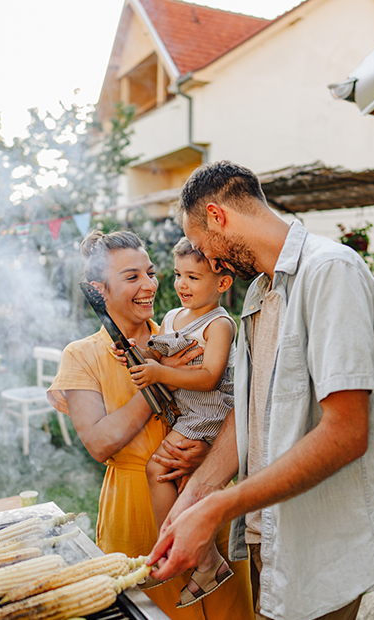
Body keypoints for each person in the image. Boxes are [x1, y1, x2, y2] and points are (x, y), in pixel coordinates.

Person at [148, 161, 374, 620]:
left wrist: (222, 505)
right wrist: (198, 494)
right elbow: (251, 411)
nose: (212, 263)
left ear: (217, 215)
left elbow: (346, 432)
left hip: (322, 547)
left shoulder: (330, 272)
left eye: (204, 247)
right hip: (270, 536)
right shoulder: (258, 292)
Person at [46, 230, 253, 620]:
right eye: (131, 277)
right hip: (138, 514)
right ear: (99, 289)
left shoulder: (184, 332)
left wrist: (210, 452)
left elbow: (231, 404)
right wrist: (157, 380)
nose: (150, 286)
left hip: (205, 496)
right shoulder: (81, 356)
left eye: (151, 272)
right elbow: (99, 443)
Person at [127, 237, 237, 607]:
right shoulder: (173, 317)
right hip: (183, 411)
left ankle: (172, 548)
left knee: (158, 468)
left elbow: (209, 376)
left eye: (193, 276)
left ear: (222, 283)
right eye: (177, 275)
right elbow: (159, 350)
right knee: (181, 479)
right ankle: (207, 562)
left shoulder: (220, 325)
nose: (181, 285)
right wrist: (135, 352)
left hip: (207, 412)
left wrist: (158, 373)